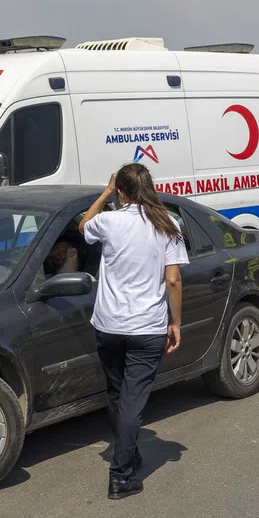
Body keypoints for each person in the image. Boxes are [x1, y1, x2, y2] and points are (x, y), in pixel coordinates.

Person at [78, 163, 188, 499]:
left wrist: (105, 192)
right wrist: (175, 322)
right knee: (132, 401)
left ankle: (127, 454)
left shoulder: (109, 221)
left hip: (109, 325)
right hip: (146, 327)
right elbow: (173, 280)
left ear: (122, 191)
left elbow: (83, 225)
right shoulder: (167, 224)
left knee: (117, 393)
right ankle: (121, 475)